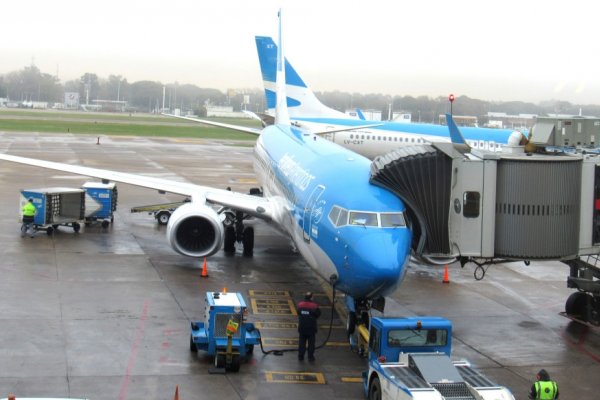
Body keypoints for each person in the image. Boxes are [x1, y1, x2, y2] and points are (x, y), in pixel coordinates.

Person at [297, 291, 321, 361]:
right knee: (311, 343)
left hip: (302, 327)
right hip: (311, 328)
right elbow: (318, 314)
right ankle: (310, 357)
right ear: (311, 298)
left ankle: (300, 356)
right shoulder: (314, 306)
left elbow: (298, 312)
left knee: (302, 342)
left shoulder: (300, 305)